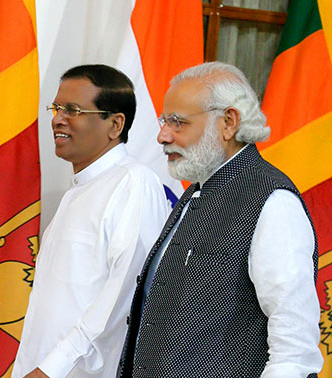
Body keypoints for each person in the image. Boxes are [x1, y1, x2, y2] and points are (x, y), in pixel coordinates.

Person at [117, 62, 323, 378]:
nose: (162, 135)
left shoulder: (273, 202)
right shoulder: (195, 193)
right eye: (163, 121)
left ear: (228, 122)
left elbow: (294, 349)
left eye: (177, 122)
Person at [12, 64, 170, 378]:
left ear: (115, 124)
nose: (57, 118)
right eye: (56, 108)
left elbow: (125, 295)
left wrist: (50, 369)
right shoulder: (78, 190)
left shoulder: (133, 184)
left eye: (73, 110)